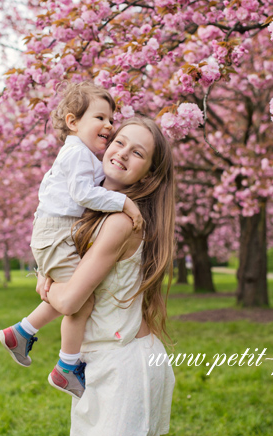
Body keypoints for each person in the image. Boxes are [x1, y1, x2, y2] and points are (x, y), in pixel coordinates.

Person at [0, 82, 143, 399]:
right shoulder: (77, 153)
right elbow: (82, 195)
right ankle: (65, 368)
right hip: (56, 232)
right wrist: (124, 203)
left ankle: (21, 332)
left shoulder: (83, 155)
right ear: (73, 122)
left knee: (73, 293)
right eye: (100, 117)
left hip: (58, 232)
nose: (108, 125)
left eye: (111, 120)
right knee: (81, 301)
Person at [42, 117, 176, 435]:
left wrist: (46, 287)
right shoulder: (102, 213)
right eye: (119, 142)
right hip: (99, 359)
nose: (123, 153)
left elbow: (71, 300)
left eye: (138, 152)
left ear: (150, 174)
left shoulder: (120, 223)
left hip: (124, 365)